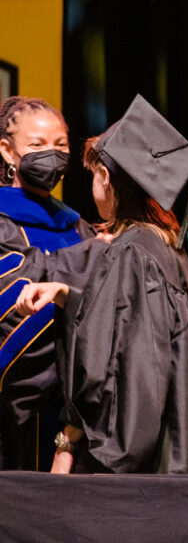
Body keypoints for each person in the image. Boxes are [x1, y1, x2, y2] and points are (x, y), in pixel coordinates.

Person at [14, 94, 188, 474]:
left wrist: (66, 442)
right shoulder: (167, 251)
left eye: (93, 174)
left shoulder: (130, 252)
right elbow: (133, 329)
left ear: (107, 177)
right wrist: (68, 295)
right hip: (167, 464)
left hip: (117, 475)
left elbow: (110, 368)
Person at [0, 96, 95, 471]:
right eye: (37, 146)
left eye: (61, 145)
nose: (52, 155)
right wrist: (91, 263)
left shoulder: (77, 225)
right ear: (7, 152)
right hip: (14, 407)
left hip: (76, 406)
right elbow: (14, 294)